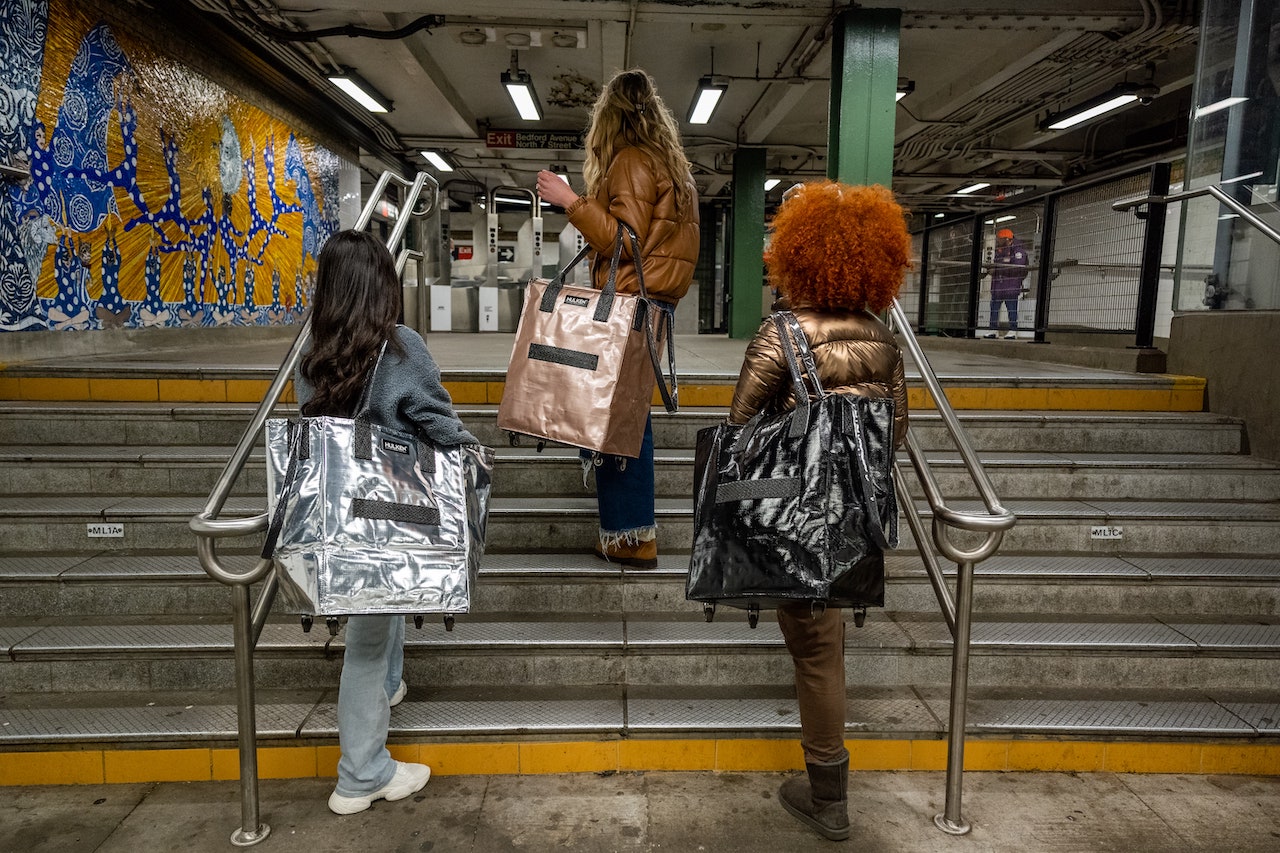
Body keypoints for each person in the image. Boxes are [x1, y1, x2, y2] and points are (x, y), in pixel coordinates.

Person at [726, 182, 910, 842]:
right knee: (825, 641)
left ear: (798, 255)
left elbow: (739, 427)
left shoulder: (781, 332)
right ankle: (825, 786)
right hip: (852, 516)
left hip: (793, 520)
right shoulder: (884, 339)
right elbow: (894, 434)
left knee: (815, 648)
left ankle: (829, 796)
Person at [294, 229, 478, 815]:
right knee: (368, 640)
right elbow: (433, 418)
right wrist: (473, 451)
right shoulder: (399, 347)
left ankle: (391, 686)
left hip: (338, 515)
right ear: (381, 288)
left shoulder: (313, 355)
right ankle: (361, 775)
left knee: (380, 605)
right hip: (392, 509)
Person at [535, 69, 700, 569]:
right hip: (654, 304)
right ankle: (628, 533)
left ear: (608, 120)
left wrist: (571, 202)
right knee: (624, 413)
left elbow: (625, 241)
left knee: (619, 420)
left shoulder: (630, 162)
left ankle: (631, 537)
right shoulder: (673, 167)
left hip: (631, 305)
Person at [984, 227, 1029, 338]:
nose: (998, 241)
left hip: (1010, 286)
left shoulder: (1018, 251)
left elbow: (1017, 267)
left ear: (1007, 239)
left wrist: (997, 270)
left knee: (1011, 309)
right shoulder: (1000, 251)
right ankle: (993, 329)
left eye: (1000, 239)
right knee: (994, 308)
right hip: (998, 286)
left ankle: (1013, 330)